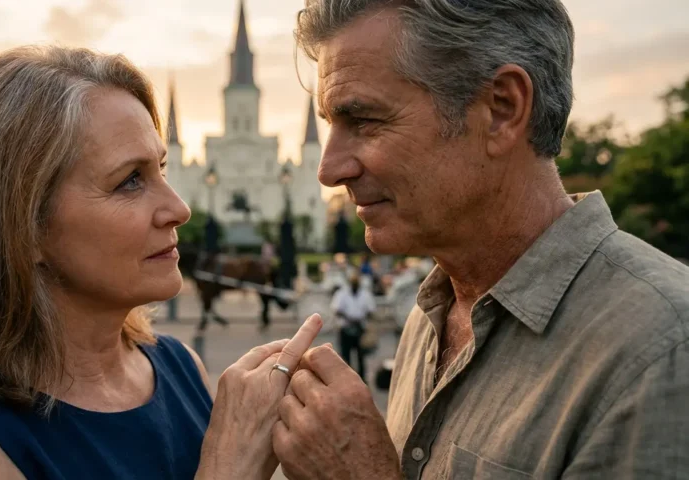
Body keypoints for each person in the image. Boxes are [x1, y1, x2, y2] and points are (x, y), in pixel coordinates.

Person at [266, 1, 689, 479]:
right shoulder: (431, 317)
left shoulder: (663, 352)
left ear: (502, 110)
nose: (329, 170)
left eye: (364, 121)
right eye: (330, 126)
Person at [0, 45, 324, 480]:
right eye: (130, 181)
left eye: (162, 171)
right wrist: (233, 468)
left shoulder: (180, 368)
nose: (180, 208)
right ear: (23, 226)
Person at [331, 274, 375, 380]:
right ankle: (346, 379)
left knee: (361, 357)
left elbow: (371, 311)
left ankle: (361, 380)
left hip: (360, 328)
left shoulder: (365, 294)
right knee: (345, 357)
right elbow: (336, 310)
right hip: (345, 327)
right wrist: (350, 318)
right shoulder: (341, 294)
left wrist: (361, 318)